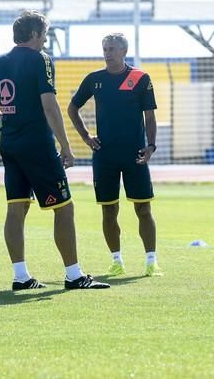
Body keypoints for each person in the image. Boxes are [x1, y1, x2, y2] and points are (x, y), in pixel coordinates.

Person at [0, 10, 109, 291]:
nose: (46, 40)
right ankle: (74, 275)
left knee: (16, 208)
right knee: (64, 208)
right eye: (44, 34)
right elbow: (50, 105)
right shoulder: (41, 60)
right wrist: (66, 146)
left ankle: (21, 277)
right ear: (34, 35)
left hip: (10, 146)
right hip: (38, 145)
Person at [68, 33, 162, 277]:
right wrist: (87, 137)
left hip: (135, 155)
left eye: (111, 49)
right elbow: (72, 108)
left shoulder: (140, 78)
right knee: (109, 211)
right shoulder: (94, 79)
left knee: (143, 209)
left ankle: (151, 261)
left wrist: (150, 146)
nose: (107, 53)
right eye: (104, 49)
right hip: (105, 156)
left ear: (123, 51)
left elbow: (150, 117)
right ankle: (116, 260)